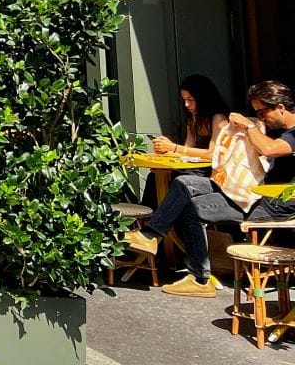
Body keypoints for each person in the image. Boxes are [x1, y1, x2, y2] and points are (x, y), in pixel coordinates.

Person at [126, 80, 295, 297]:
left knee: (193, 207)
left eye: (262, 112)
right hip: (251, 191)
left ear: (280, 107)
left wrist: (249, 126)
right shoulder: (277, 130)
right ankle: (150, 236)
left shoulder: (291, 134)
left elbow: (269, 150)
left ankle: (199, 279)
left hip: (272, 206)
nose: (261, 118)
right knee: (184, 182)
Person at [140, 75, 230, 206]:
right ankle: (148, 214)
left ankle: (160, 216)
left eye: (190, 99)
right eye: (184, 100)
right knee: (154, 177)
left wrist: (173, 147)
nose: (187, 104)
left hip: (214, 172)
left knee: (176, 179)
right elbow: (187, 151)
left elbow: (212, 154)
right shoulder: (193, 120)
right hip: (195, 168)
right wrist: (165, 150)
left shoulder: (219, 118)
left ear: (203, 98)